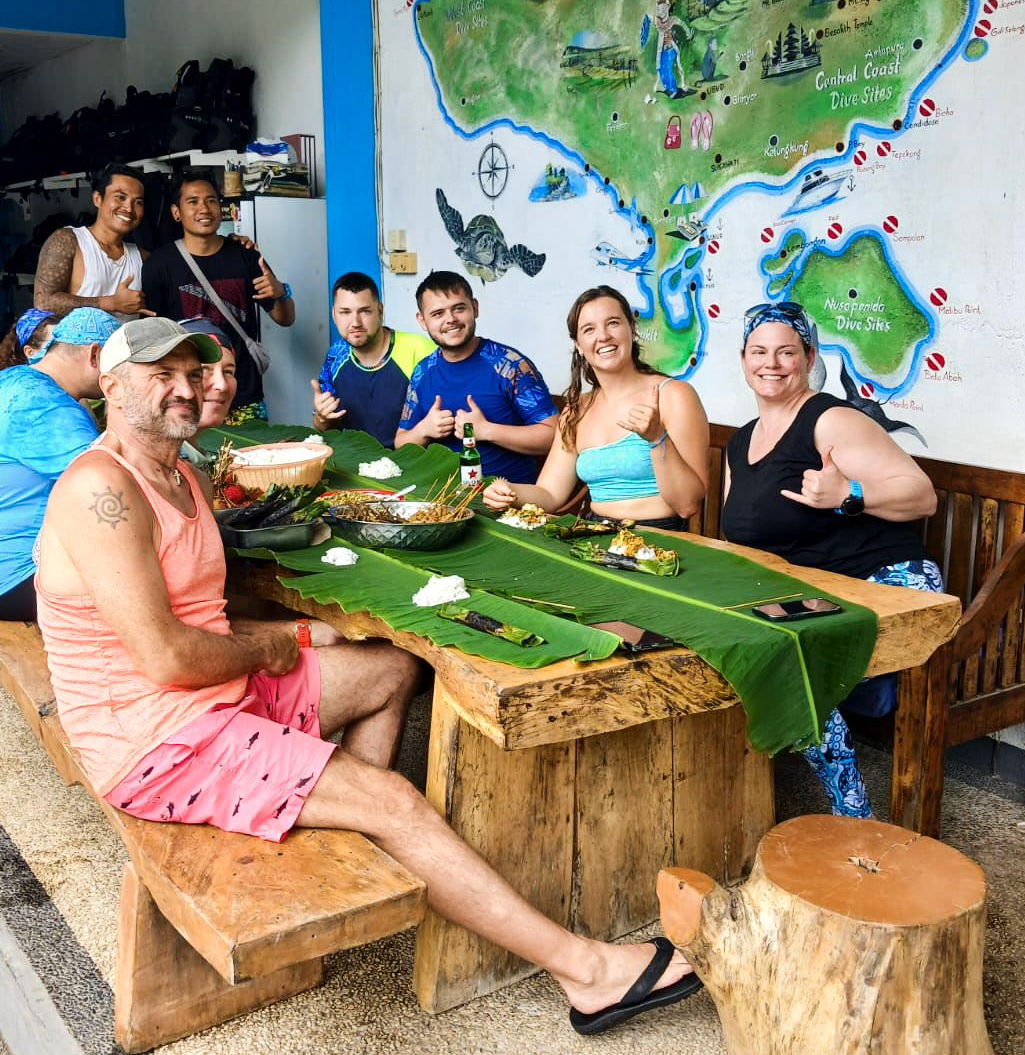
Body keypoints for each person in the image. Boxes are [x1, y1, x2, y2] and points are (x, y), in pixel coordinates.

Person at [35, 317, 701, 1035]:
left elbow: (205, 617)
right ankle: (588, 973)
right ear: (111, 385)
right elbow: (167, 655)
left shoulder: (183, 473)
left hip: (212, 698)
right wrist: (275, 648)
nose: (184, 388)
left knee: (391, 666)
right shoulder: (101, 487)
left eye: (191, 373)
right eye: (159, 375)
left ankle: (349, 829)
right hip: (153, 742)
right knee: (395, 800)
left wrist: (298, 636)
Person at [721, 301, 941, 818]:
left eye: (786, 352)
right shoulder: (739, 442)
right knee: (747, 648)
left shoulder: (830, 419)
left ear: (808, 357)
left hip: (891, 584)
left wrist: (848, 494)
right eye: (759, 352)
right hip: (822, 594)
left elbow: (922, 496)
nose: (771, 363)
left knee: (794, 666)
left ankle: (853, 816)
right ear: (743, 359)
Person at [484, 286, 710, 529]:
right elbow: (549, 494)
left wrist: (657, 439)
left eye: (613, 323)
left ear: (632, 329)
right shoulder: (576, 411)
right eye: (589, 329)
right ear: (578, 345)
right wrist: (509, 491)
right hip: (594, 536)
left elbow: (688, 505)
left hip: (660, 535)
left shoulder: (674, 395)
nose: (603, 336)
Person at [141, 170, 294, 423]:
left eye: (211, 200)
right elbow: (154, 340)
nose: (204, 208)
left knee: (253, 450)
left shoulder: (245, 255)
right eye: (193, 201)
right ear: (176, 212)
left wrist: (281, 291)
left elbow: (285, 318)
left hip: (244, 393)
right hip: (187, 396)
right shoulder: (159, 265)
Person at [0, 305, 119, 620]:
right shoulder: (50, 407)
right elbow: (113, 479)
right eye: (119, 367)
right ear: (94, 355)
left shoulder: (12, 380)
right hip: (17, 577)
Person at [395, 270, 557, 480]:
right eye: (438, 313)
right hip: (440, 496)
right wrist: (423, 430)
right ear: (423, 321)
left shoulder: (509, 365)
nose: (450, 319)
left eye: (459, 308)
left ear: (475, 308)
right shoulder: (422, 372)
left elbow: (553, 435)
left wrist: (487, 430)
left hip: (507, 496)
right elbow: (401, 443)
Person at [311, 271, 434, 447]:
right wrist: (322, 417)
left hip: (415, 459)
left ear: (380, 311)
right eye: (345, 312)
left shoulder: (422, 351)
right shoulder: (336, 355)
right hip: (357, 460)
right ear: (334, 315)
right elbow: (326, 428)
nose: (355, 322)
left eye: (364, 311)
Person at [33, 163, 151, 318]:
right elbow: (43, 303)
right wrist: (110, 303)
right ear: (97, 199)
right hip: (71, 336)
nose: (129, 208)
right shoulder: (67, 241)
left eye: (138, 202)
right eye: (120, 197)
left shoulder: (142, 258)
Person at [174, 318, 239, 479]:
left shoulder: (195, 459)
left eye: (228, 372)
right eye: (202, 371)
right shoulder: (155, 464)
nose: (222, 385)